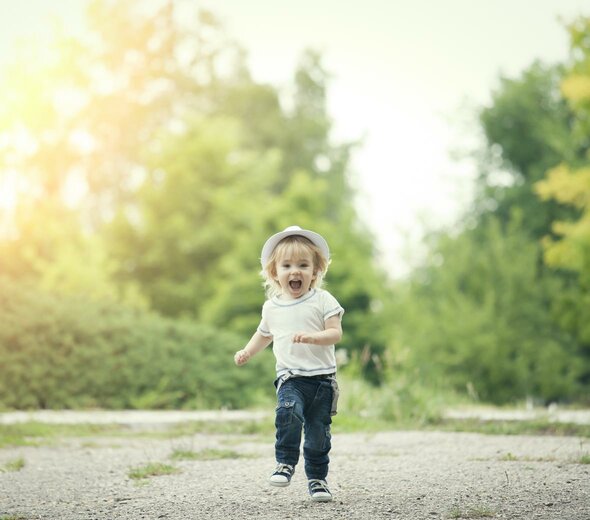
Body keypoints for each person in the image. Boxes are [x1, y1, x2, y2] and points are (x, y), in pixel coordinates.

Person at [234, 225, 344, 503]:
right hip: (290, 378)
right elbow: (263, 334)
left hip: (322, 381)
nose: (295, 271)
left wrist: (313, 337)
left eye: (303, 265)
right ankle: (284, 462)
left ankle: (318, 480)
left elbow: (335, 333)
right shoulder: (271, 307)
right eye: (287, 265)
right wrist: (248, 351)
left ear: (315, 272)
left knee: (318, 434)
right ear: (274, 273)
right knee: (288, 412)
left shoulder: (323, 300)